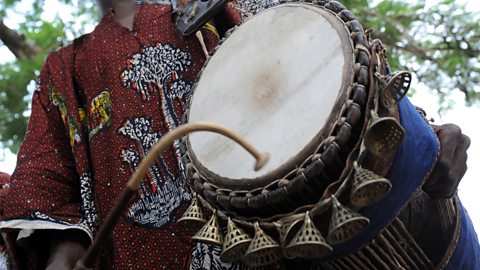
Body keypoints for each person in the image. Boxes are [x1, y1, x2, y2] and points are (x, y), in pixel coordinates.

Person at [0, 1, 478, 270]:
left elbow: (348, 91)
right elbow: (47, 208)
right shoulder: (66, 69)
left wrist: (421, 138)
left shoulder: (250, 5)